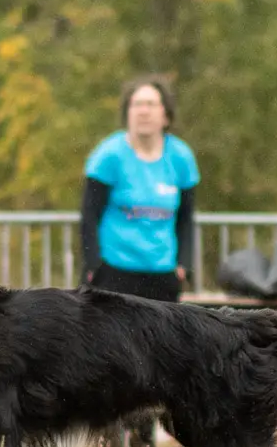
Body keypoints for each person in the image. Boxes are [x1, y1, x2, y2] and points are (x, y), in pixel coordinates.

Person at [81, 76, 199, 303]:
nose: (143, 111)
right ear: (127, 113)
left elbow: (186, 218)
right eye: (137, 104)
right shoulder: (108, 156)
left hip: (162, 273)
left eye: (151, 104)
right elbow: (89, 215)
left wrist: (184, 265)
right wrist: (93, 264)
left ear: (166, 115)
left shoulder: (181, 158)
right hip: (114, 271)